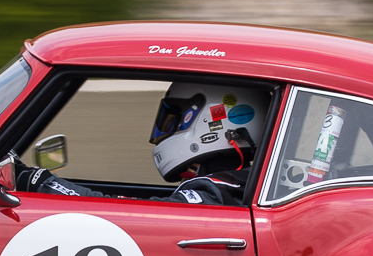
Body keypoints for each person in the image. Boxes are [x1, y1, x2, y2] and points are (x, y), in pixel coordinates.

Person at [16, 81, 272, 206]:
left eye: (178, 118)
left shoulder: (218, 192)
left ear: (211, 121)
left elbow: (127, 217)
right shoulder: (237, 184)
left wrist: (42, 183)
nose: (169, 128)